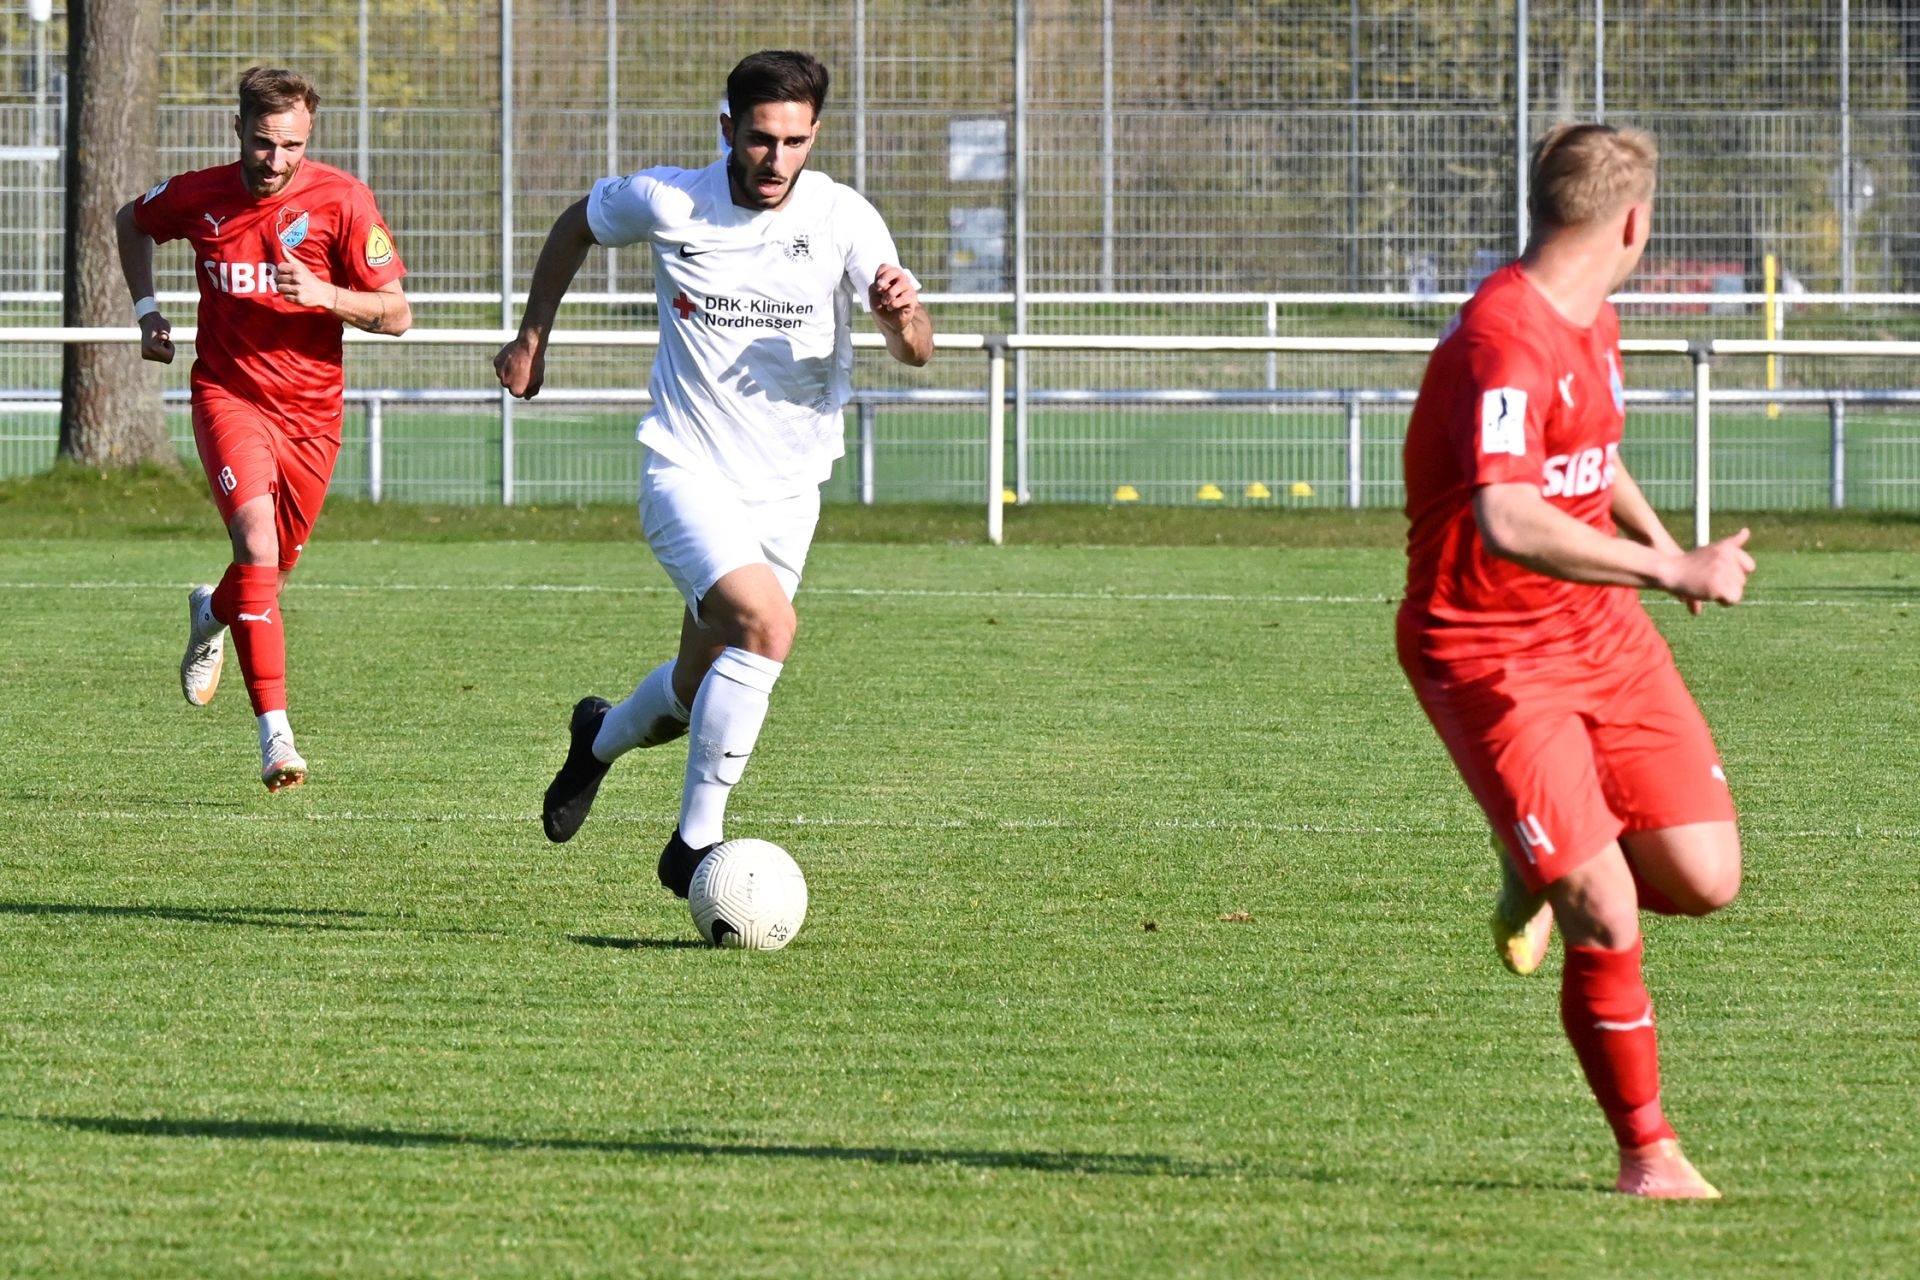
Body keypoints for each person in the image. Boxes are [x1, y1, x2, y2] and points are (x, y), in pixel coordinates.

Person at [1397, 123, 1756, 1199]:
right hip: (1489, 649)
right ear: (1635, 222)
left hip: (1601, 632)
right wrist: (1671, 569)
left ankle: (1537, 858)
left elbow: (1587, 459)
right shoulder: (1503, 339)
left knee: (1705, 878)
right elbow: (1508, 515)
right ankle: (1649, 1152)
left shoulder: (1592, 315)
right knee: (1607, 903)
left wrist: (1655, 544)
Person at [495, 50, 932, 895]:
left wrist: (900, 317)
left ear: (815, 135)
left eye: (795, 141)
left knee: (696, 691)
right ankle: (694, 845)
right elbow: (575, 224)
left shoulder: (843, 216)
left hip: (789, 491)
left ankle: (596, 740)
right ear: (728, 128)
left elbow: (916, 351)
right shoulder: (670, 200)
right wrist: (531, 338)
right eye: (761, 139)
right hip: (686, 470)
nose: (776, 159)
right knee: (768, 628)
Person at [116, 65, 410, 791]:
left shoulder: (342, 200)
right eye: (261, 143)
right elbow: (132, 221)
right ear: (238, 130)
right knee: (254, 546)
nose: (275, 161)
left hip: (312, 417)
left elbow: (397, 314)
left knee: (267, 576)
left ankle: (210, 613)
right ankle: (276, 737)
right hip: (229, 397)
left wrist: (326, 294)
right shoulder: (199, 195)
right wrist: (147, 312)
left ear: (308, 137)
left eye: (291, 146)